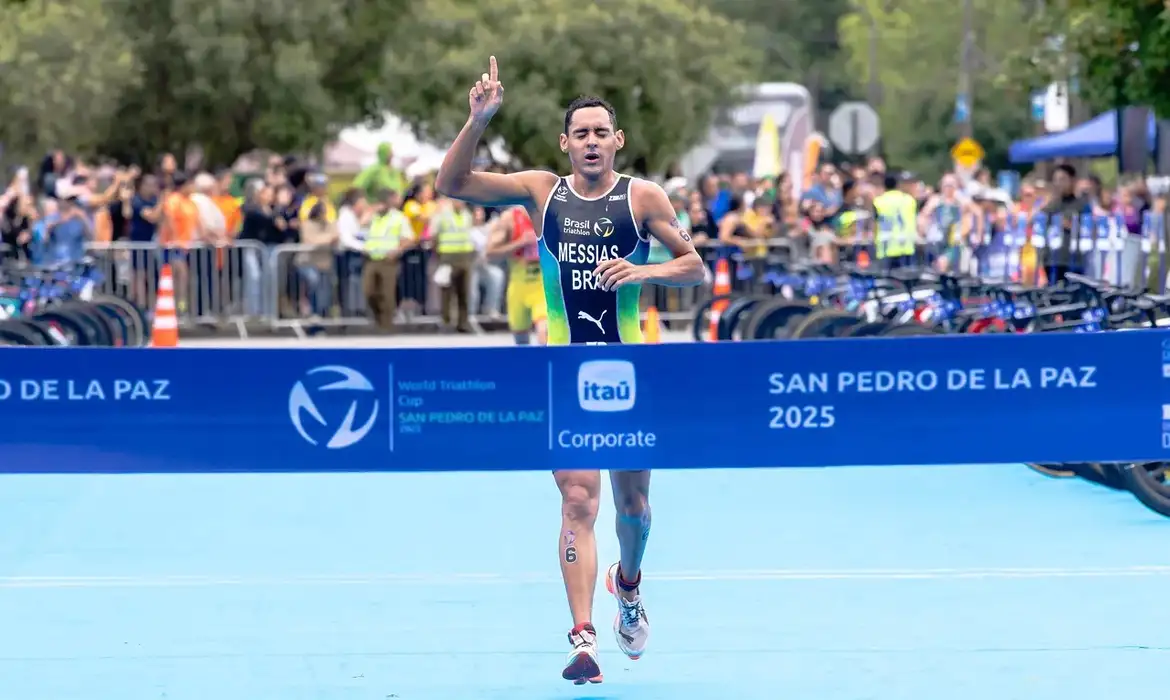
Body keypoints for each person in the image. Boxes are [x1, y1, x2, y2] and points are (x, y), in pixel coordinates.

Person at [435, 56, 705, 685]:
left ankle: (628, 584)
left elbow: (694, 267)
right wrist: (477, 120)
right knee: (578, 496)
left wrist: (646, 270)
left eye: (599, 133)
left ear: (617, 142)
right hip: (564, 373)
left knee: (633, 505)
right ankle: (583, 636)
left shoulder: (643, 197)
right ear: (565, 144)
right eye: (579, 133)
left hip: (630, 372)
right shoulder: (541, 191)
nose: (589, 142)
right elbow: (454, 183)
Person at [487, 205, 547, 344]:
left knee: (544, 331)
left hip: (543, 287)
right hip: (518, 287)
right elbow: (490, 253)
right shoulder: (510, 219)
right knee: (521, 342)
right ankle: (528, 365)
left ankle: (546, 365)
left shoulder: (550, 214)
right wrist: (520, 243)